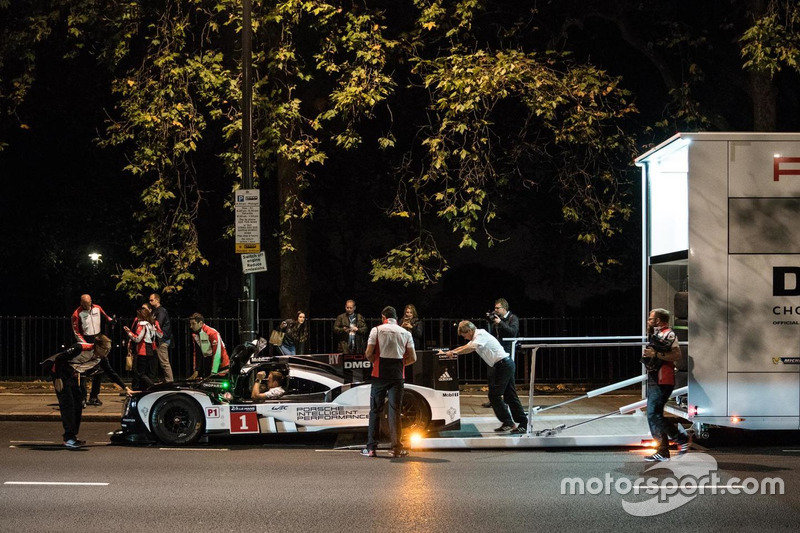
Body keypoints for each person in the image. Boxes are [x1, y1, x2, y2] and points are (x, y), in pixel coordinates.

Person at [42, 334, 132, 448]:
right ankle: (68, 438)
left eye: (109, 349)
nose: (108, 351)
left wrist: (125, 387)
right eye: (105, 348)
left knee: (78, 403)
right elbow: (59, 359)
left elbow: (111, 372)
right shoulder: (81, 348)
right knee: (68, 404)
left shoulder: (101, 358)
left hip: (72, 374)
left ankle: (73, 436)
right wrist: (58, 378)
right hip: (60, 372)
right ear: (98, 347)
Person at [441, 320, 527, 434]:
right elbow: (465, 346)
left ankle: (509, 422)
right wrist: (450, 352)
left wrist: (453, 353)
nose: (465, 338)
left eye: (465, 335)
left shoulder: (480, 334)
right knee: (510, 395)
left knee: (494, 395)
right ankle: (518, 423)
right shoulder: (476, 337)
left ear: (470, 330)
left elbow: (470, 348)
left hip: (504, 365)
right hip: (503, 365)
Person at [361, 306, 417, 458]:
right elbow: (413, 358)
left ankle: (371, 448)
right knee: (395, 412)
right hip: (397, 375)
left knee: (375, 410)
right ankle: (396, 449)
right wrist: (399, 364)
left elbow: (368, 353)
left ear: (383, 317)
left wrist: (376, 361)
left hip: (379, 374)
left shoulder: (377, 330)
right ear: (396, 318)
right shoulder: (405, 332)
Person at [642, 308, 690, 462]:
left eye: (651, 319)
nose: (648, 321)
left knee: (654, 415)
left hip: (663, 380)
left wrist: (655, 354)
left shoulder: (669, 334)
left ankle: (681, 439)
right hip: (655, 378)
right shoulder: (658, 334)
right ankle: (662, 451)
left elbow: (676, 355)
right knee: (652, 416)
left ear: (658, 320)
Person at [70, 294, 115, 407]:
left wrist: (111, 321)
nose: (86, 305)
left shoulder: (97, 308)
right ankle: (83, 397)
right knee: (84, 371)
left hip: (98, 338)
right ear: (81, 303)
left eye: (88, 303)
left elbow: (106, 317)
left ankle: (94, 396)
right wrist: (85, 344)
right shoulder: (77, 314)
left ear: (91, 301)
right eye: (84, 304)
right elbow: (76, 331)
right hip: (87, 339)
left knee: (99, 370)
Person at [482, 298, 520, 408]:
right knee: (492, 374)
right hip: (497, 351)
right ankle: (494, 399)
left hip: (508, 350)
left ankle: (509, 400)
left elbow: (513, 332)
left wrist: (501, 323)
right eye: (495, 308)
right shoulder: (497, 319)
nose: (496, 310)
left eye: (498, 308)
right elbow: (490, 335)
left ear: (504, 308)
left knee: (507, 376)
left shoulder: (513, 318)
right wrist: (489, 322)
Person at [124, 305, 163, 390]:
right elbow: (160, 335)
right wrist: (155, 329)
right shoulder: (153, 323)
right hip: (152, 350)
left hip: (143, 351)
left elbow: (137, 339)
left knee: (140, 373)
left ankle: (153, 387)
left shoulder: (142, 324)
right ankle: (145, 390)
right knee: (148, 373)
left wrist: (128, 332)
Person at [189, 313, 230, 378]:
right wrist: (196, 370)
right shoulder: (195, 334)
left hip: (221, 365)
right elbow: (197, 353)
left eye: (193, 324)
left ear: (200, 323)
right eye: (190, 324)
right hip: (208, 363)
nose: (191, 326)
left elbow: (217, 353)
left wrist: (213, 372)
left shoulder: (212, 333)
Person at [149, 293, 174, 382]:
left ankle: (170, 381)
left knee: (164, 362)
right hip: (159, 340)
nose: (150, 302)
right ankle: (164, 380)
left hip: (162, 340)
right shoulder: (156, 311)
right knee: (158, 362)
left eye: (151, 300)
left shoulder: (161, 311)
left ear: (157, 300)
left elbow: (157, 324)